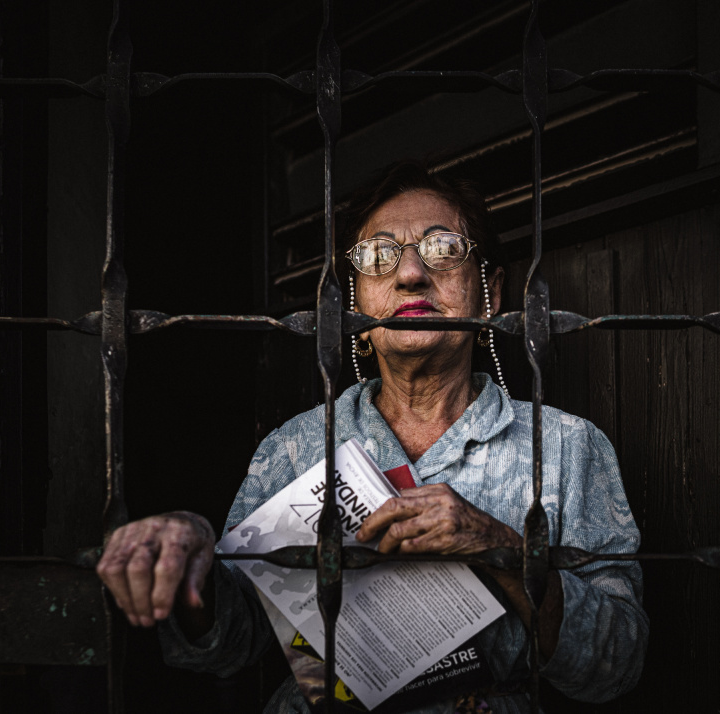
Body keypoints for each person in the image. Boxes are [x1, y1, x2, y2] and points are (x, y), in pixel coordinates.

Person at [97, 161, 648, 712]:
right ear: (356, 306)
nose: (409, 273)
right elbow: (232, 646)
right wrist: (190, 563)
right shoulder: (296, 447)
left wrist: (502, 549)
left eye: (443, 248)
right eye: (379, 257)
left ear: (490, 294)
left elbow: (616, 665)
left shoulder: (564, 448)